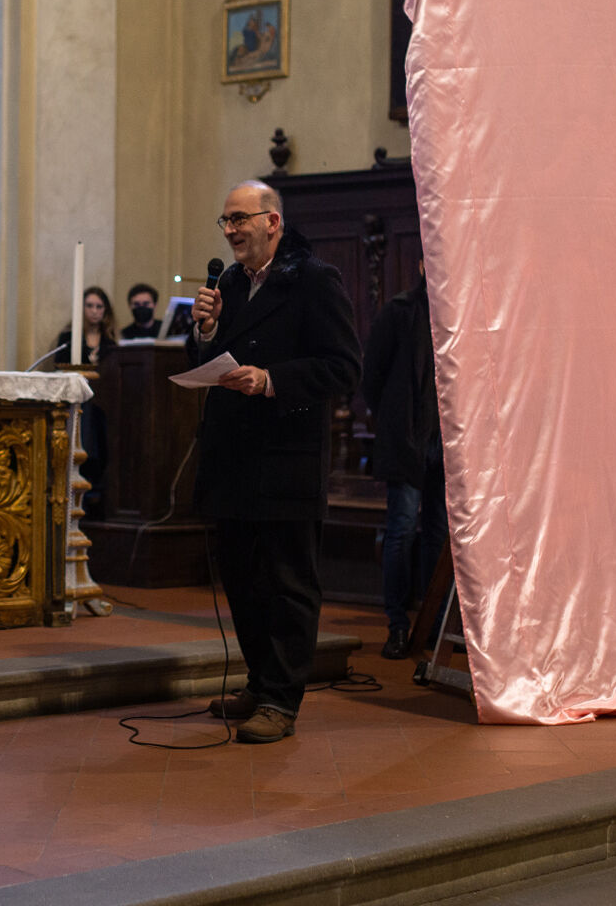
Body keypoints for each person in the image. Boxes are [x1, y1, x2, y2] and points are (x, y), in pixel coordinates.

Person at [189, 180, 360, 743]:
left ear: (273, 223)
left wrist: (272, 381)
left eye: (240, 219)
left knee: (288, 582)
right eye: (225, 221)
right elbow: (215, 362)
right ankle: (260, 683)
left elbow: (343, 367)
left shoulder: (314, 280)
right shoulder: (231, 284)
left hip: (286, 458)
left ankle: (282, 702)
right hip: (233, 457)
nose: (232, 230)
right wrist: (207, 330)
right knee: (242, 579)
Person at [361, 259, 448, 659]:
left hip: (447, 442)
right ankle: (398, 625)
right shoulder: (399, 310)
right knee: (399, 531)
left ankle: (431, 625)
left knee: (436, 534)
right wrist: (395, 421)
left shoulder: (461, 311)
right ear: (421, 265)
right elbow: (372, 376)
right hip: (408, 439)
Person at [53, 285, 116, 367]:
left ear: (106, 310)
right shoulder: (68, 337)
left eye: (99, 307)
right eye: (89, 306)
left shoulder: (110, 338)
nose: (94, 311)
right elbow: (59, 366)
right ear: (81, 307)